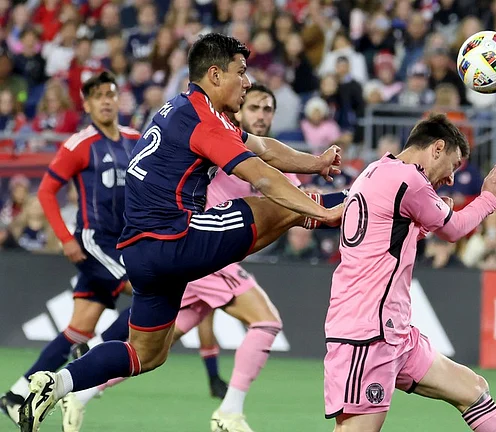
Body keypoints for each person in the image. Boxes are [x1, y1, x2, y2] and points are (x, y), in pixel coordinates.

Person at [19, 33, 344, 432]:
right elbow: (262, 174)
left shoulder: (183, 108)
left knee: (146, 354)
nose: (246, 82)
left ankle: (57, 382)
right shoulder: (204, 121)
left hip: (141, 255)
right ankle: (357, 203)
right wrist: (322, 212)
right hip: (174, 237)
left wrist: (317, 161)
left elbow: (265, 148)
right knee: (278, 204)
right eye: (240, 74)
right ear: (214, 74)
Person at [324, 113, 496, 432]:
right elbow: (453, 230)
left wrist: (422, 225)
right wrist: (490, 198)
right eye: (453, 165)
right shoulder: (408, 180)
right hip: (367, 333)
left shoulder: (376, 170)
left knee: (473, 391)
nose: (452, 178)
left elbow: (385, 237)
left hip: (395, 333)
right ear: (437, 148)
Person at [0, 71, 137, 426]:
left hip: (126, 243)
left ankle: (15, 396)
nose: (106, 100)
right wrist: (65, 237)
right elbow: (45, 191)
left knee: (77, 327)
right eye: (98, 96)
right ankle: (88, 358)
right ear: (88, 104)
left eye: (111, 93)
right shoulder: (79, 144)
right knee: (151, 292)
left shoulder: (136, 139)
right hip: (96, 242)